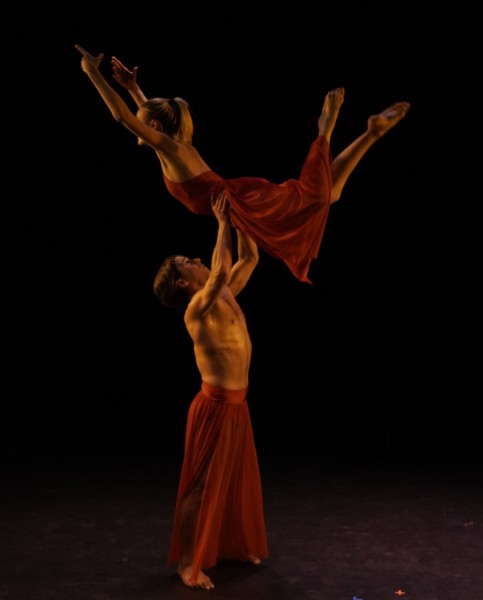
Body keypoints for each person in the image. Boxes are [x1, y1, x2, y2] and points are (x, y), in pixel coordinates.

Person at [75, 44, 411, 283]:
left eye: (142, 120)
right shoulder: (174, 145)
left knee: (319, 196)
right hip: (238, 205)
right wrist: (135, 90)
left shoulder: (171, 148)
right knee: (327, 195)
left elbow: (121, 117)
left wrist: (93, 74)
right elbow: (153, 118)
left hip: (241, 202)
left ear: (154, 129)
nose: (138, 122)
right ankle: (370, 134)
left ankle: (326, 128)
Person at [153, 189, 267, 590]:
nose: (197, 259)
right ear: (182, 281)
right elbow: (219, 269)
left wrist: (241, 219)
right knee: (200, 486)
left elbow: (248, 258)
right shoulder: (196, 307)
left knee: (233, 479)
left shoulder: (223, 293)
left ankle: (232, 547)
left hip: (238, 405)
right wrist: (221, 221)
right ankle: (188, 563)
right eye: (188, 262)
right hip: (215, 407)